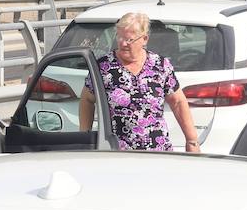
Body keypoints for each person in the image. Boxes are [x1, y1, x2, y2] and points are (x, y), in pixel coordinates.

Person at [79, 11, 201, 153]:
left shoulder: (160, 66)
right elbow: (87, 99)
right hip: (117, 153)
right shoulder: (104, 67)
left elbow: (178, 102)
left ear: (144, 39)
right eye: (119, 37)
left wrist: (192, 141)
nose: (123, 43)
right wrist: (84, 138)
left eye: (129, 39)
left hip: (157, 150)